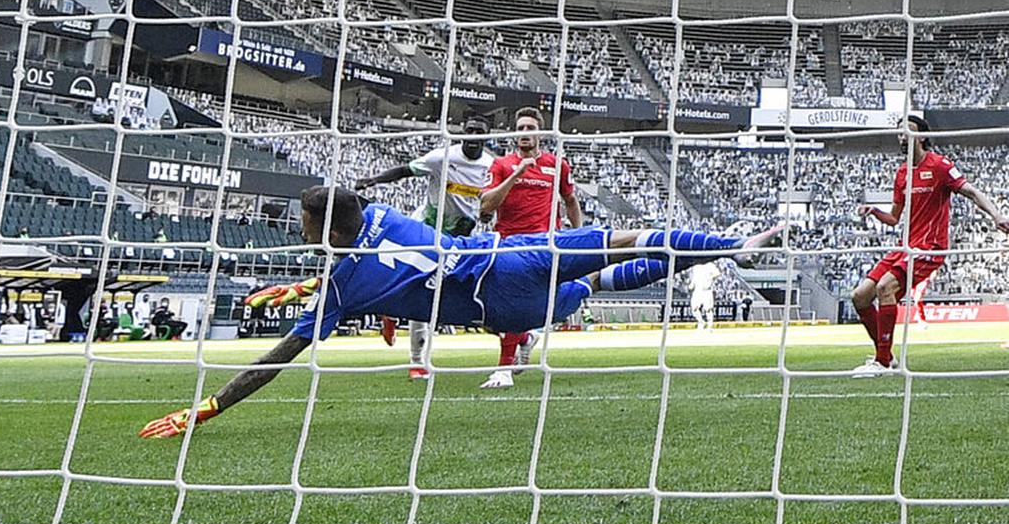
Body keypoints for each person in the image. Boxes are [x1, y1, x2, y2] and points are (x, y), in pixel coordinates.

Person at [138, 185, 783, 438]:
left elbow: (279, 357)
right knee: (620, 243)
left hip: (503, 303)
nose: (300, 231)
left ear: (324, 230)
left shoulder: (343, 284)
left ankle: (727, 248)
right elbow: (382, 251)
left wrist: (210, 405)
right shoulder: (378, 215)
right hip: (503, 262)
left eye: (305, 225)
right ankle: (734, 246)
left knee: (597, 278)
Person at [850, 115, 1009, 378]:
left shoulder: (940, 166)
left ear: (922, 136)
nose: (902, 137)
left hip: (929, 246)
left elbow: (972, 192)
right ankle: (886, 356)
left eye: (907, 131)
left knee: (884, 287)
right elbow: (894, 219)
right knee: (860, 297)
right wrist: (875, 211)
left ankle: (881, 362)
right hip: (905, 246)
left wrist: (997, 215)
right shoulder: (902, 174)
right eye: (899, 133)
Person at [354, 115, 496, 380]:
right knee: (424, 289)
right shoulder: (442, 157)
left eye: (479, 132)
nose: (473, 136)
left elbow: (492, 200)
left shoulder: (491, 166)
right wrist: (374, 180)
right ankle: (417, 361)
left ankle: (391, 311)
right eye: (470, 130)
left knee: (447, 292)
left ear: (487, 137)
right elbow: (405, 170)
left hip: (459, 240)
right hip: (425, 231)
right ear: (462, 132)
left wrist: (488, 214)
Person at [476, 106, 583, 389]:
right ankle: (525, 337)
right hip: (507, 242)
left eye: (530, 128)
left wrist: (578, 234)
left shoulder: (557, 165)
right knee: (490, 313)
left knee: (513, 302)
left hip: (542, 244)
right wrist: (516, 175)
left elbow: (571, 201)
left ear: (541, 133)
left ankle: (503, 371)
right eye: (520, 128)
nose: (525, 133)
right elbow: (486, 206)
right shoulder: (501, 165)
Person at [689, 261, 721, 331]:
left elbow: (718, 273)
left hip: (706, 290)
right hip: (697, 290)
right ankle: (701, 322)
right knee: (694, 308)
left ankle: (710, 326)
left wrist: (710, 277)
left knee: (708, 309)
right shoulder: (696, 266)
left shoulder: (710, 265)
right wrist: (692, 284)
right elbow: (694, 277)